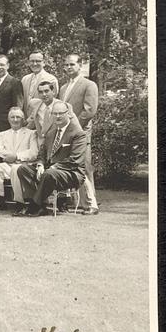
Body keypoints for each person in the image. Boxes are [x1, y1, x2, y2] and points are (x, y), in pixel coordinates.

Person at [15, 100, 86, 217]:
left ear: (68, 113)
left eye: (61, 113)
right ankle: (41, 206)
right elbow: (41, 154)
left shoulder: (78, 133)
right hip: (50, 171)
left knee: (49, 174)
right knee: (22, 169)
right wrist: (40, 165)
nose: (57, 116)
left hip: (72, 172)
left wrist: (53, 167)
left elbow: (75, 160)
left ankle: (33, 206)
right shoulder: (50, 133)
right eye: (55, 114)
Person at [59, 53, 100, 215]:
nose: (69, 67)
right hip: (66, 134)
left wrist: (73, 127)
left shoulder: (89, 85)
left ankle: (91, 204)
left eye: (72, 64)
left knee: (84, 167)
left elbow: (89, 110)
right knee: (70, 166)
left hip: (81, 133)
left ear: (80, 65)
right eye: (66, 65)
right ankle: (76, 202)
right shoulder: (63, 87)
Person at [0, 107, 39, 212]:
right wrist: (10, 156)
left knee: (16, 169)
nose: (15, 120)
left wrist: (16, 156)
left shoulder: (31, 133)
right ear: (8, 119)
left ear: (23, 119)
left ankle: (20, 202)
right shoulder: (3, 134)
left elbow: (33, 152)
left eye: (18, 117)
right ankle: (0, 200)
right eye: (12, 117)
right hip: (8, 165)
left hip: (24, 166)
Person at [0, 54, 24, 135]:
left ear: (8, 66)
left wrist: (14, 126)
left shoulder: (15, 83)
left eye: (2, 65)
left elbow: (17, 107)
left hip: (6, 127)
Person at [21, 51, 59, 115]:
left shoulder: (51, 79)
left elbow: (51, 103)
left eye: (38, 61)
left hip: (43, 118)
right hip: (26, 119)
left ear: (44, 62)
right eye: (32, 61)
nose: (34, 64)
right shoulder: (24, 79)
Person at [26, 80, 58, 145]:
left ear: (53, 92)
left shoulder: (63, 106)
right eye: (41, 92)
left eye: (46, 91)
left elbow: (74, 128)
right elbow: (30, 123)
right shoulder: (36, 105)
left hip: (56, 142)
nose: (44, 94)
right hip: (40, 142)